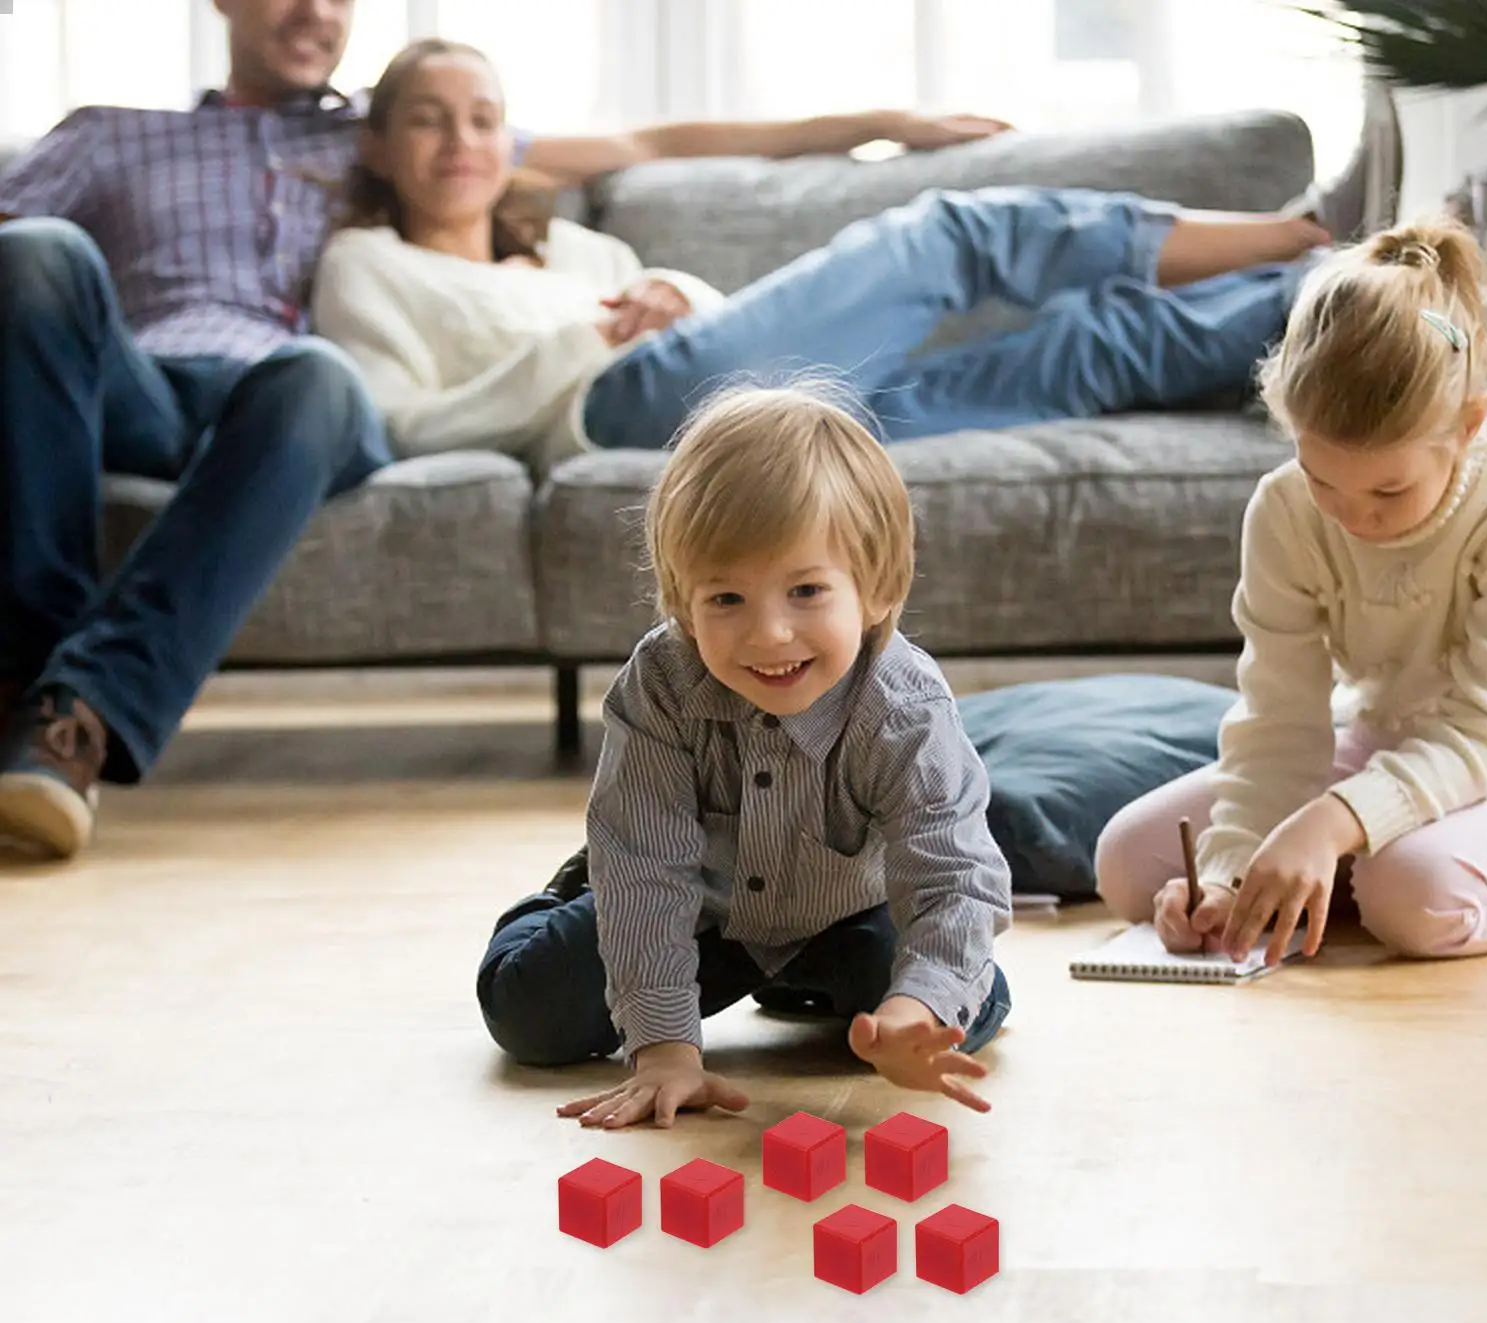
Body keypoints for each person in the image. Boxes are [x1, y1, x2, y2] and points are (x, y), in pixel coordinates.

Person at [0, 0, 1005, 862]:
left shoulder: (377, 135)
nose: (314, 9)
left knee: (313, 372)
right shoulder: (108, 134)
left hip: (294, 408)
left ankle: (70, 718)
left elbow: (653, 146)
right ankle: (33, 687)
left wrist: (883, 120)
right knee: (36, 253)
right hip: (138, 384)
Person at [311, 38, 1394, 472]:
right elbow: (393, 426)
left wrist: (669, 291)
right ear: (376, 142)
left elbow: (724, 331)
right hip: (622, 414)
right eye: (426, 119)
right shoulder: (369, 267)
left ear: (513, 142)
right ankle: (1308, 225)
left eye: (483, 117)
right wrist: (581, 342)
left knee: (1083, 351)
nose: (460, 142)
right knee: (948, 236)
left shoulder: (576, 246)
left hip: (757, 421)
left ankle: (1350, 285)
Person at [477, 386, 1013, 1128]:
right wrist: (664, 1048)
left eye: (806, 591)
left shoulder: (905, 706)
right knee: (528, 1015)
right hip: (698, 907)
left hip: (848, 911)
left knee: (958, 1010)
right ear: (680, 603)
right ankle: (570, 888)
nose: (768, 635)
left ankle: (816, 982)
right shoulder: (662, 683)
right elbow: (648, 873)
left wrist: (912, 1008)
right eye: (725, 599)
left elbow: (953, 876)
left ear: (879, 590)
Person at [1094, 217, 1487, 968]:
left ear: (1467, 428)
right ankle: (1351, 867)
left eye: (1389, 491)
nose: (1354, 517)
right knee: (1131, 865)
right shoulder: (1284, 506)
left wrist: (1328, 826)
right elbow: (1279, 716)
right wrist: (1230, 877)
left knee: (1414, 900)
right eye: (1324, 479)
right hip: (1387, 742)